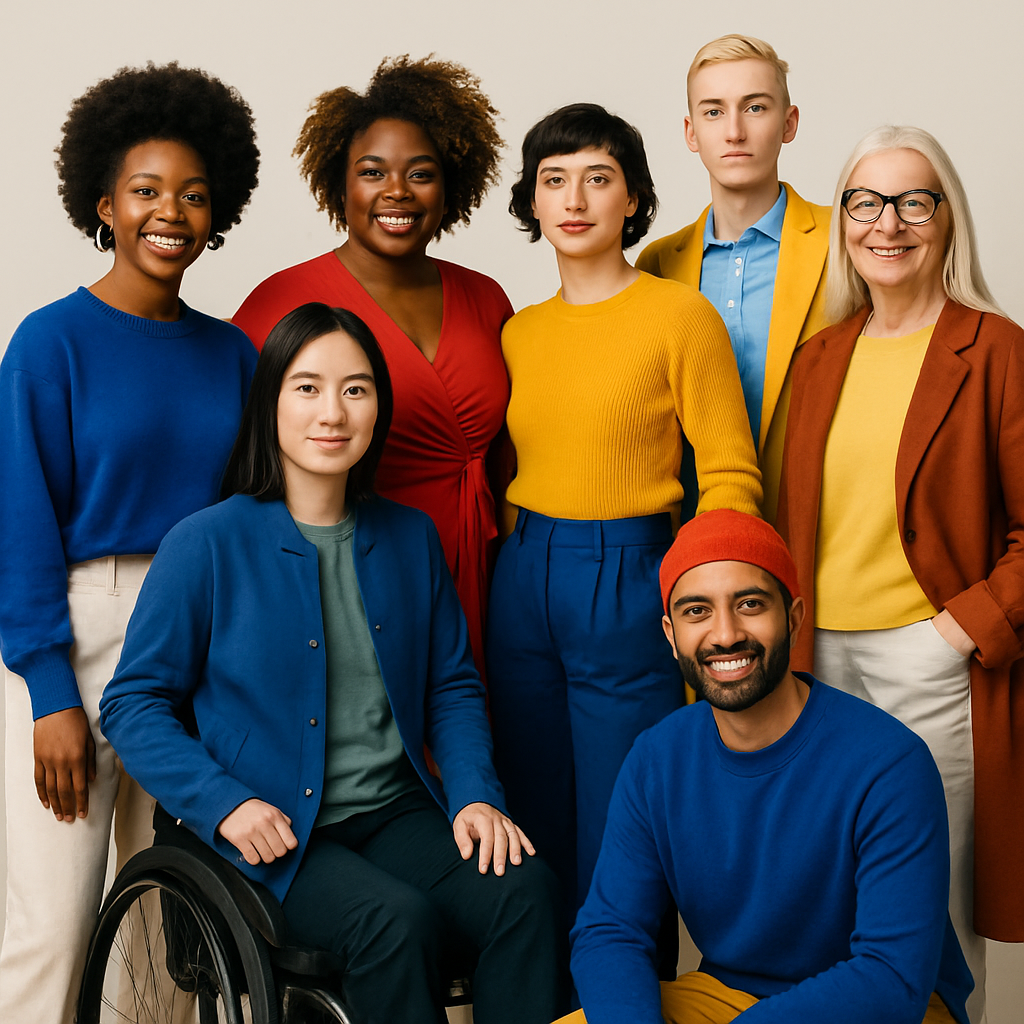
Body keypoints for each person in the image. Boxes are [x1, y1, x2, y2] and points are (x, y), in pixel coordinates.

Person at [100, 303, 568, 1024]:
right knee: (394, 922)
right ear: (271, 403)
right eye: (307, 387)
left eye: (356, 389)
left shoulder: (410, 538)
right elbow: (134, 704)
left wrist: (476, 795)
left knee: (525, 891)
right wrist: (226, 803)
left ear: (378, 407)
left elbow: (452, 686)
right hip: (271, 827)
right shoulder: (206, 543)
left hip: (393, 810)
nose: (333, 411)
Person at [0, 63, 260, 1024]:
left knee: (169, 933)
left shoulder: (233, 354)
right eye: (146, 192)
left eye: (193, 195)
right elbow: (19, 528)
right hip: (78, 629)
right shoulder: (49, 343)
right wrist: (51, 693)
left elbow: (247, 518)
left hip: (194, 641)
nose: (171, 214)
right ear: (104, 205)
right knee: (58, 926)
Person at [487, 102, 761, 934]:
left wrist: (703, 606)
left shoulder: (680, 316)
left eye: (598, 179)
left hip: (631, 575)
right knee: (528, 821)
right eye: (554, 180)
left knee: (623, 825)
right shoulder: (519, 332)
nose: (575, 198)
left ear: (634, 199)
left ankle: (624, 1000)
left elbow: (730, 475)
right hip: (522, 572)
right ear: (532, 203)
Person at [776, 125, 1024, 1022]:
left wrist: (958, 632)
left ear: (946, 219)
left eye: (913, 201)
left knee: (936, 912)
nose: (889, 223)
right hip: (815, 669)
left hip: (932, 663)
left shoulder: (995, 349)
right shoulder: (820, 358)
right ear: (843, 221)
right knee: (833, 903)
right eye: (866, 202)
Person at [559, 509, 973, 1024]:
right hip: (729, 998)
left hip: (887, 1008)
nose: (725, 634)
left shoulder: (889, 764)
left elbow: (891, 977)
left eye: (750, 604)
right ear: (670, 634)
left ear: (794, 618)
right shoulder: (655, 760)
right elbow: (610, 930)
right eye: (696, 612)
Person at [233, 55, 510, 669]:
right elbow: (241, 468)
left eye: (421, 173)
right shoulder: (277, 303)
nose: (396, 192)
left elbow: (510, 460)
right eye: (372, 171)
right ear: (339, 183)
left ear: (452, 186)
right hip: (350, 573)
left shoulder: (487, 298)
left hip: (486, 575)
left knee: (475, 740)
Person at [636, 34, 830, 522]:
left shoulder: (848, 241)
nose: (734, 132)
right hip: (696, 535)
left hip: (823, 520)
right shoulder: (656, 265)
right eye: (714, 112)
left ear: (789, 124)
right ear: (690, 132)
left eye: (756, 108)